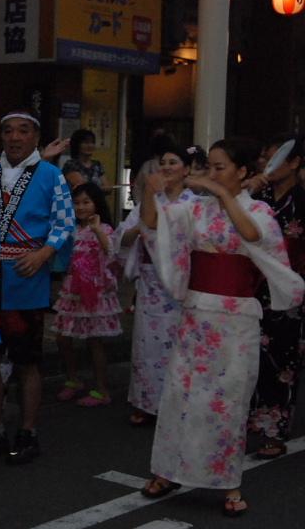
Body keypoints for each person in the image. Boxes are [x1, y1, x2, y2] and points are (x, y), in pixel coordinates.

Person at [138, 138, 304, 517]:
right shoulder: (195, 208)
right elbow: (154, 223)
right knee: (180, 393)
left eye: (220, 167)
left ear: (242, 171)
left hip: (236, 318)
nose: (211, 173)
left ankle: (229, 482)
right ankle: (167, 471)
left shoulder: (259, 210)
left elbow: (252, 235)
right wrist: (150, 191)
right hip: (196, 313)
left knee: (228, 400)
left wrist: (222, 193)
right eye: (208, 167)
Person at [0, 109, 74, 463]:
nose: (15, 137)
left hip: (26, 275)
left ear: (36, 136)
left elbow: (65, 223)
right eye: (8, 131)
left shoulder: (51, 175)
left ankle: (28, 431)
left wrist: (45, 253)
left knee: (28, 361)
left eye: (23, 131)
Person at [114, 145, 196, 425]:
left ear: (187, 169)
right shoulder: (149, 201)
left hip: (183, 280)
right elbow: (122, 239)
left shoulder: (194, 203)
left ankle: (178, 403)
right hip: (151, 282)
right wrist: (141, 227)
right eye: (164, 162)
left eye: (174, 162)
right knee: (147, 344)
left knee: (181, 345)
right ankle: (147, 402)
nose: (167, 167)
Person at [244, 134, 305, 459]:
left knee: (283, 358)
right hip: (253, 285)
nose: (267, 166)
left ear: (294, 163)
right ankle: (247, 422)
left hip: (289, 286)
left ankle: (274, 430)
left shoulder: (301, 200)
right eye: (265, 159)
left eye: (275, 159)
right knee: (250, 355)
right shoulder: (259, 196)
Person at [52, 183, 121, 406]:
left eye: (86, 202)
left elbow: (111, 250)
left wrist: (97, 229)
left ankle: (101, 389)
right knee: (62, 337)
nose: (80, 207)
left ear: (96, 204)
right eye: (76, 203)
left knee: (94, 340)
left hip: (94, 291)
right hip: (72, 291)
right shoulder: (70, 228)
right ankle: (72, 379)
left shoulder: (105, 228)